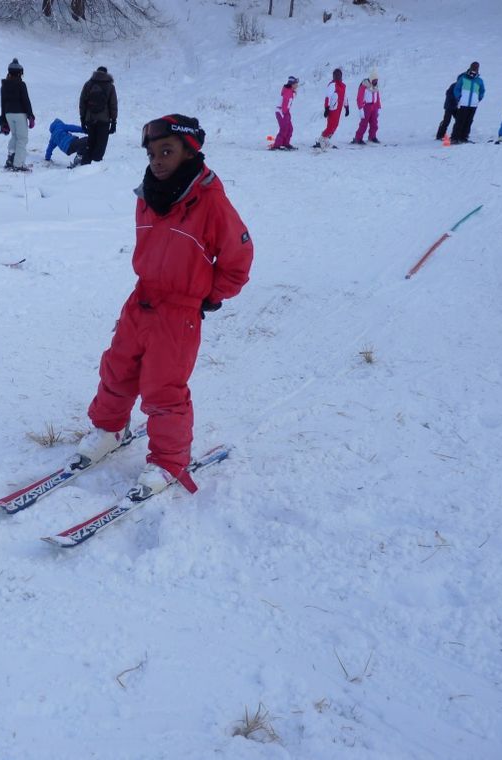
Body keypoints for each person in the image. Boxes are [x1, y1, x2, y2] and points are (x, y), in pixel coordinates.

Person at [69, 114, 253, 499]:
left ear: (191, 152)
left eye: (167, 151)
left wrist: (209, 295)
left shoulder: (211, 201)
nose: (157, 160)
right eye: (152, 153)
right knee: (117, 367)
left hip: (179, 312)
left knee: (163, 387)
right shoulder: (149, 195)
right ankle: (110, 429)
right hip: (141, 299)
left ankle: (169, 460)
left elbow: (239, 258)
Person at [0, 58, 35, 171]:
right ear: (20, 73)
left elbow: (2, 103)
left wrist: (3, 120)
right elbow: (26, 100)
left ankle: (10, 159)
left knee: (15, 136)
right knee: (22, 139)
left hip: (8, 113)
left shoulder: (4, 85)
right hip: (20, 113)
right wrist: (31, 116)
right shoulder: (21, 85)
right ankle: (18, 164)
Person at [78, 66, 118, 164]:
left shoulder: (88, 84)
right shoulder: (110, 86)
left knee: (90, 143)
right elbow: (113, 105)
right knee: (100, 145)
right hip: (104, 121)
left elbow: (82, 103)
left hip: (90, 119)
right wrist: (113, 122)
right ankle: (95, 169)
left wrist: (82, 119)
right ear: (106, 73)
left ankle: (84, 165)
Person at [314, 68, 348, 149]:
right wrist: (326, 108)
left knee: (335, 125)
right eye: (336, 75)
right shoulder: (332, 85)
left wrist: (347, 107)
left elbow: (345, 97)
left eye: (339, 75)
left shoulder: (343, 86)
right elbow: (328, 97)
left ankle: (325, 140)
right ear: (333, 76)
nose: (338, 77)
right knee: (331, 126)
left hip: (338, 109)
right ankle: (321, 140)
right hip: (332, 109)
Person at [450, 62, 485, 144]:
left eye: (475, 69)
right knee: (460, 120)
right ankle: (455, 138)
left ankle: (464, 137)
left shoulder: (479, 81)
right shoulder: (463, 78)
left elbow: (482, 91)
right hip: (463, 104)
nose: (474, 71)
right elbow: (457, 89)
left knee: (469, 121)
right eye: (473, 68)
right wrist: (459, 98)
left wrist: (478, 99)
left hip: (473, 104)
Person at [351, 71, 381, 144]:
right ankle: (358, 138)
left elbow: (378, 97)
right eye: (374, 80)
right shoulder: (364, 86)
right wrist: (360, 109)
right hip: (366, 107)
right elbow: (359, 98)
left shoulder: (376, 87)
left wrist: (378, 107)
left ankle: (372, 136)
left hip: (374, 107)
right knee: (363, 124)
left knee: (374, 123)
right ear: (371, 79)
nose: (375, 81)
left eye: (376, 80)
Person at [270, 76, 299, 150]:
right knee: (284, 129)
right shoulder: (288, 92)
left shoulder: (290, 91)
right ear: (292, 84)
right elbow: (284, 104)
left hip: (285, 112)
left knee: (290, 129)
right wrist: (285, 114)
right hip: (281, 112)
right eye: (296, 84)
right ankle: (277, 145)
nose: (297, 85)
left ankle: (286, 143)